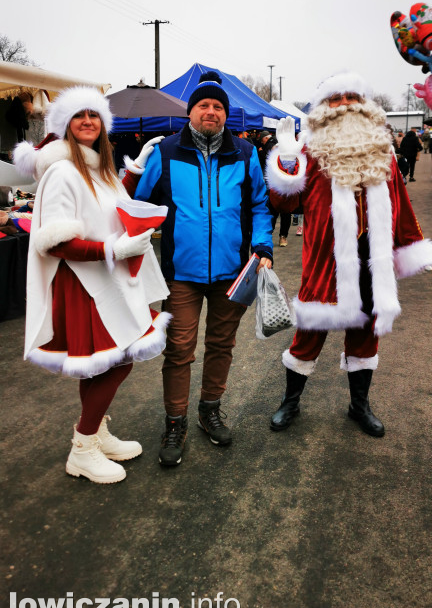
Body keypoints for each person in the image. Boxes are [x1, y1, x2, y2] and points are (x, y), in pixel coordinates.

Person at [13, 87, 170, 484]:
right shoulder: (64, 171)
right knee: (113, 363)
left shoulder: (98, 167)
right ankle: (83, 447)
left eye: (94, 115)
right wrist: (112, 248)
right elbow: (58, 240)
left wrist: (132, 172)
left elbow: (111, 211)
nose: (87, 121)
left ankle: (95, 431)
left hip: (107, 277)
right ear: (65, 125)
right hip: (85, 282)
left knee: (110, 362)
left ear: (103, 125)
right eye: (79, 116)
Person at [265, 72, 432, 437]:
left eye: (351, 98)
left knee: (365, 335)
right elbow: (284, 201)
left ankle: (360, 406)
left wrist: (413, 247)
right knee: (309, 333)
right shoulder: (310, 149)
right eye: (335, 99)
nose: (344, 105)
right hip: (326, 259)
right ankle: (290, 402)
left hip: (372, 259)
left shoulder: (384, 151)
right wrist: (288, 160)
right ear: (324, 108)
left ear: (364, 105)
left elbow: (400, 204)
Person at [134, 71, 273, 466]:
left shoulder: (245, 155)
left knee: (222, 345)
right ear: (190, 112)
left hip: (232, 271)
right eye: (203, 105)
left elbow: (260, 205)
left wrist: (263, 244)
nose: (210, 111)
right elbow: (142, 207)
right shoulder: (166, 152)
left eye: (217, 106)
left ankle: (208, 409)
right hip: (181, 274)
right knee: (178, 350)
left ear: (225, 115)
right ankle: (175, 421)